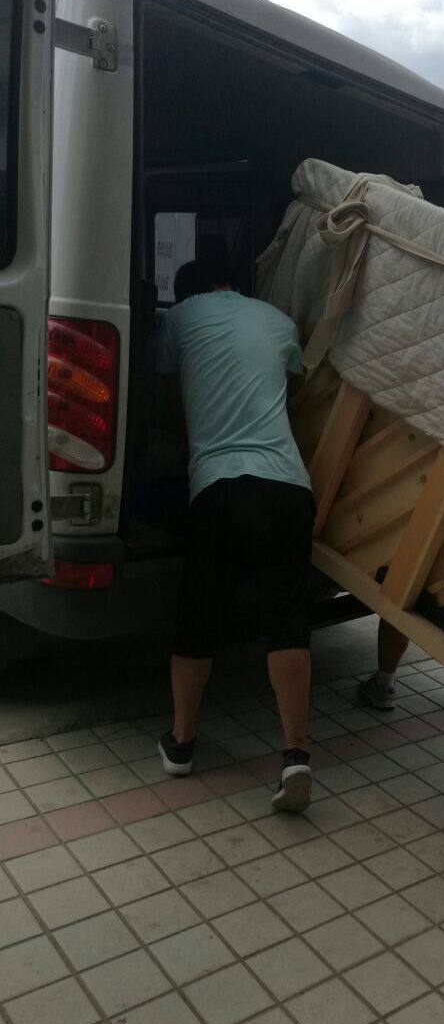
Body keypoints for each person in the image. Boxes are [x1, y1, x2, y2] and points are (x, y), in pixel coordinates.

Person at [155, 258, 315, 813]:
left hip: (216, 484)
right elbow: (294, 386)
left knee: (199, 613)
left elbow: (169, 398)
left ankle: (181, 744)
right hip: (286, 485)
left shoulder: (178, 318)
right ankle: (295, 755)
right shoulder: (279, 320)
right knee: (286, 618)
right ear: (234, 284)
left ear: (188, 292)